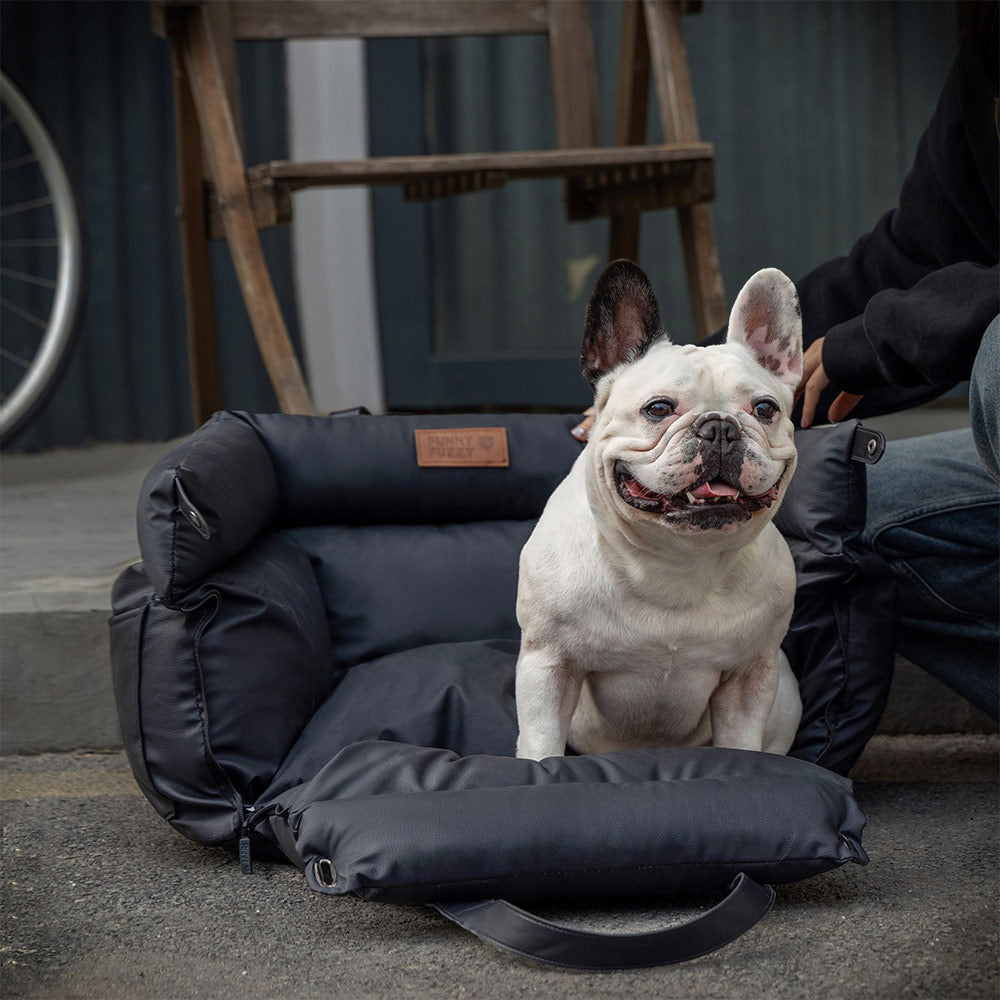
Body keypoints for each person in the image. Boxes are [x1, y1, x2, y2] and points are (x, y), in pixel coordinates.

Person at [573, 2, 999, 719]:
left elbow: (912, 312)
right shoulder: (982, 71)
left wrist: (892, 334)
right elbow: (907, 263)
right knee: (824, 517)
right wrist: (688, 383)